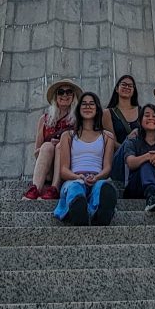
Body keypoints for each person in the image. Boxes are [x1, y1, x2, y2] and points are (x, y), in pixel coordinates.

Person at [54, 91, 118, 225]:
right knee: (75, 188)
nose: (87, 107)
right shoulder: (68, 136)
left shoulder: (107, 136)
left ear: (97, 108)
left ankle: (100, 213)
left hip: (97, 177)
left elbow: (107, 167)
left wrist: (97, 177)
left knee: (103, 187)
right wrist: (78, 177)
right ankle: (78, 211)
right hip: (75, 178)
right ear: (78, 109)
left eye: (91, 104)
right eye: (84, 104)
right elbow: (64, 170)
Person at [23, 78, 82, 200]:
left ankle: (55, 188)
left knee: (61, 145)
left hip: (68, 166)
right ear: (56, 96)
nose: (64, 95)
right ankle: (35, 188)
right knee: (47, 146)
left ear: (73, 96)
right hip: (48, 166)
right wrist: (50, 147)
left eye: (69, 92)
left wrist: (63, 142)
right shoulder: (44, 120)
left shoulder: (79, 119)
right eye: (61, 92)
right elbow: (36, 151)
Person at [103, 74, 141, 186]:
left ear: (134, 90)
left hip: (140, 155)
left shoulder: (142, 111)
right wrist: (127, 145)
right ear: (117, 88)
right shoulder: (107, 113)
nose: (127, 87)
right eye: (123, 84)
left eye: (130, 86)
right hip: (120, 157)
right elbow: (111, 141)